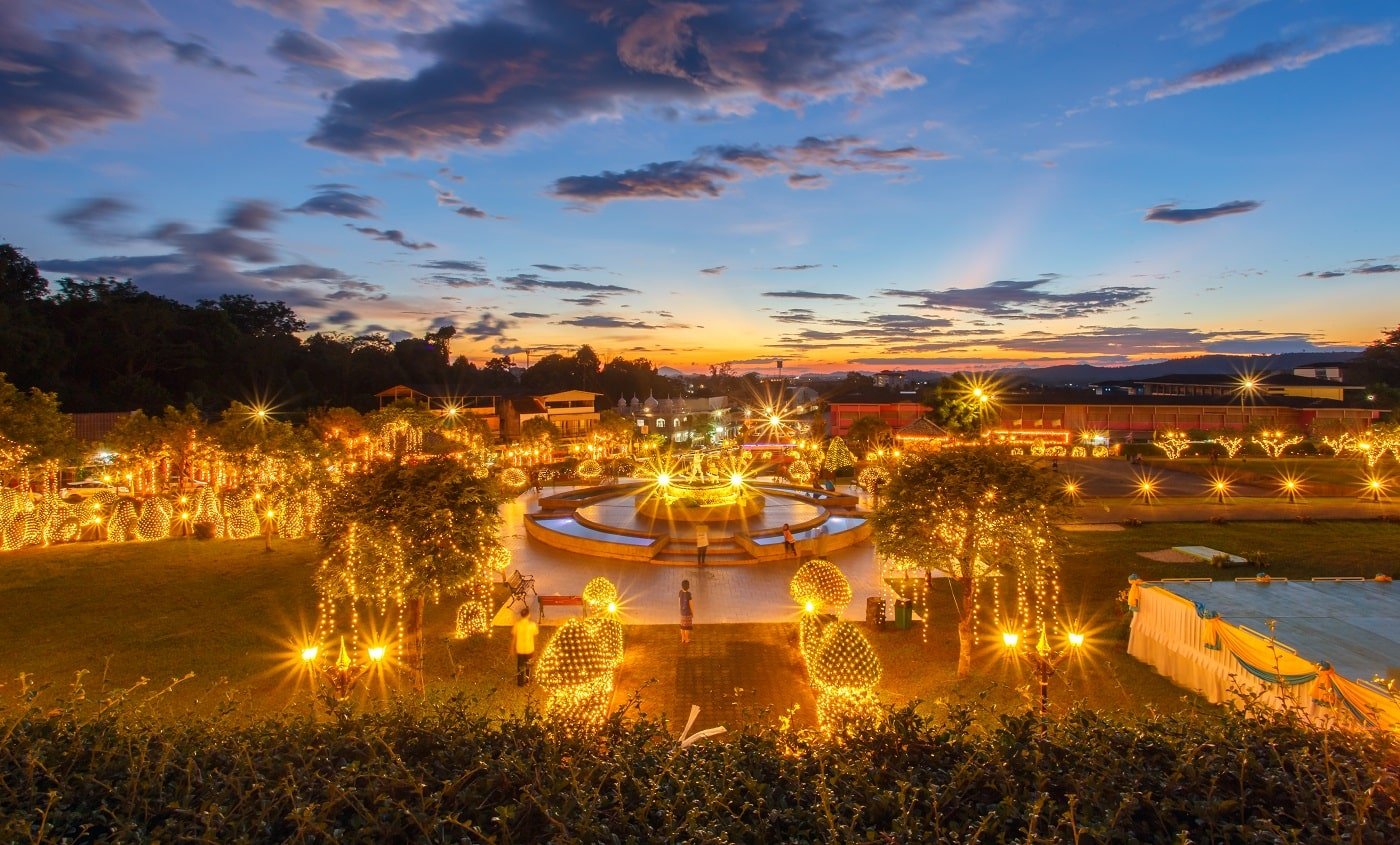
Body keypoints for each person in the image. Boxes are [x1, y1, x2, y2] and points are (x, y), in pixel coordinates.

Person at [511, 606, 538, 687]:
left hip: (520, 649)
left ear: (521, 615)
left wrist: (512, 647)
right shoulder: (532, 625)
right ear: (528, 615)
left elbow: (514, 637)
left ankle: (520, 683)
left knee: (520, 666)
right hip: (529, 648)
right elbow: (535, 636)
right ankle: (527, 681)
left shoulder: (517, 624)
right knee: (528, 666)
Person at [679, 579, 694, 644]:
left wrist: (680, 609)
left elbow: (679, 601)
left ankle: (683, 638)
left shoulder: (680, 592)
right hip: (687, 613)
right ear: (688, 586)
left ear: (682, 586)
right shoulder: (688, 594)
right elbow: (691, 604)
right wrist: (692, 613)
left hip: (682, 612)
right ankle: (687, 639)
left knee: (682, 626)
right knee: (687, 627)